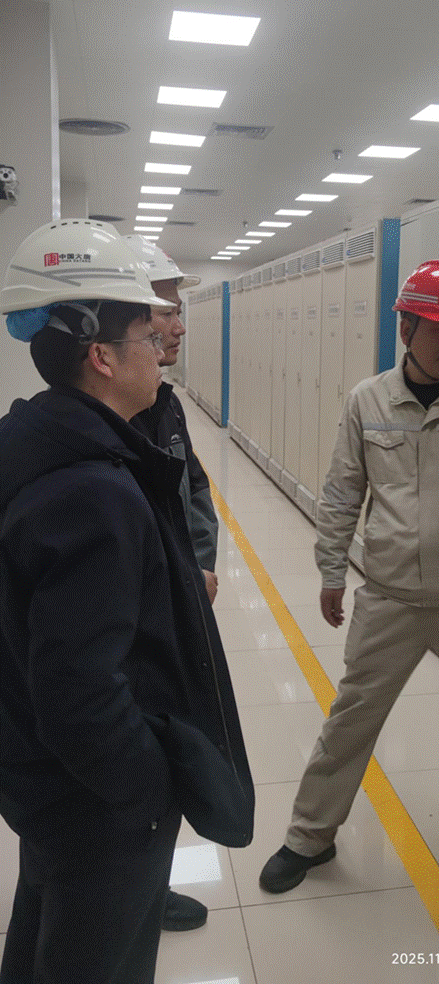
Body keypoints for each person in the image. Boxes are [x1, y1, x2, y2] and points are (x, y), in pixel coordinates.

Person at [0, 220, 253, 984]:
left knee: (44, 930)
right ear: (102, 356)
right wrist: (146, 793)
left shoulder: (34, 440)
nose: (161, 343)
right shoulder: (92, 490)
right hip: (96, 803)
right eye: (147, 330)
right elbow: (80, 692)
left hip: (42, 777)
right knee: (96, 961)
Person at [260, 259, 439, 909]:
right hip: (390, 599)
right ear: (405, 327)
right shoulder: (368, 400)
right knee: (352, 717)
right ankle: (309, 835)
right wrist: (331, 568)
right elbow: (341, 491)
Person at [126, 234, 218, 931]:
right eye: (166, 309)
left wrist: (203, 566)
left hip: (180, 605)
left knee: (171, 758)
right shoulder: (113, 415)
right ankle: (130, 894)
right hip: (141, 627)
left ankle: (147, 886)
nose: (180, 324)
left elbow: (195, 490)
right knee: (140, 760)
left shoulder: (164, 403)